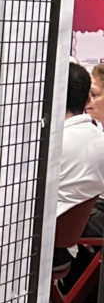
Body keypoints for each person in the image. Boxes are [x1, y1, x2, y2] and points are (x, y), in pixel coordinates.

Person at [55, 62, 104, 271]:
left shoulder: (51, 146)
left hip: (42, 247)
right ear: (86, 99)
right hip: (67, 246)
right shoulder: (98, 139)